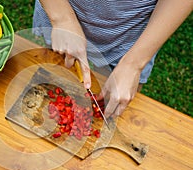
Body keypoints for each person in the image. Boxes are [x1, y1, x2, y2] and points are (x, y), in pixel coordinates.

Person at [32, 0, 193, 118]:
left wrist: (133, 65)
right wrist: (61, 18)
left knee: (113, 108)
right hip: (58, 15)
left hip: (132, 40)